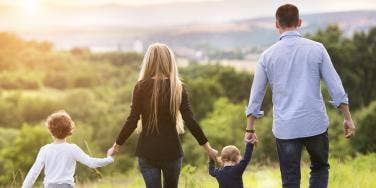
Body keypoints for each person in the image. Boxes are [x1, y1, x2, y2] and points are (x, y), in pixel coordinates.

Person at [244, 4, 356, 188]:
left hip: (286, 129)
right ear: (300, 22)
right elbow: (336, 86)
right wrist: (347, 118)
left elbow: (256, 95)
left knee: (290, 180)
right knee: (320, 169)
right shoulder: (317, 49)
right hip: (315, 125)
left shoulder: (267, 56)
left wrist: (250, 129)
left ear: (276, 25)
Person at [108, 43, 218, 188]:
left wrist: (116, 146)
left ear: (148, 61)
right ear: (170, 61)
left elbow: (132, 120)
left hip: (147, 152)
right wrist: (208, 148)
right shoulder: (178, 87)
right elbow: (190, 120)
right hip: (172, 152)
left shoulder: (141, 87)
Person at [22, 110, 114, 188]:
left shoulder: (45, 150)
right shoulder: (72, 149)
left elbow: (34, 172)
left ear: (50, 130)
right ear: (69, 130)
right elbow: (91, 163)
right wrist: (109, 158)